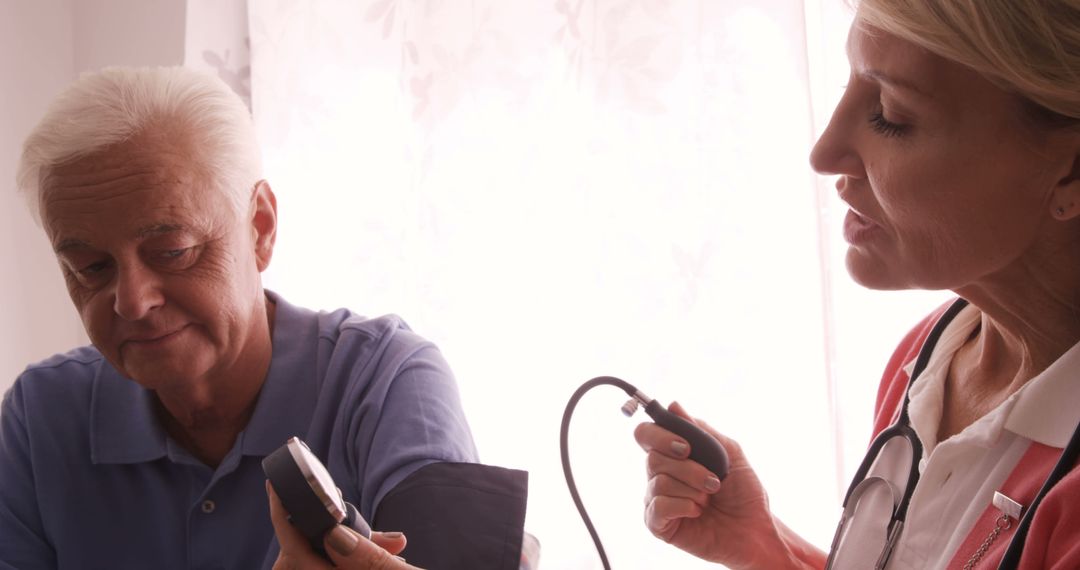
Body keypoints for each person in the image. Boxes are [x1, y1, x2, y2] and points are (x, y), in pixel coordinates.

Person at [0, 66, 527, 569]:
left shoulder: (387, 380)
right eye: (91, 267)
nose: (132, 302)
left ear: (260, 226)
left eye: (173, 250)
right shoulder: (39, 417)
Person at [635, 0, 1080, 568]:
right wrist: (766, 548)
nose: (824, 153)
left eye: (891, 114)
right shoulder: (929, 357)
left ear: (1070, 170)